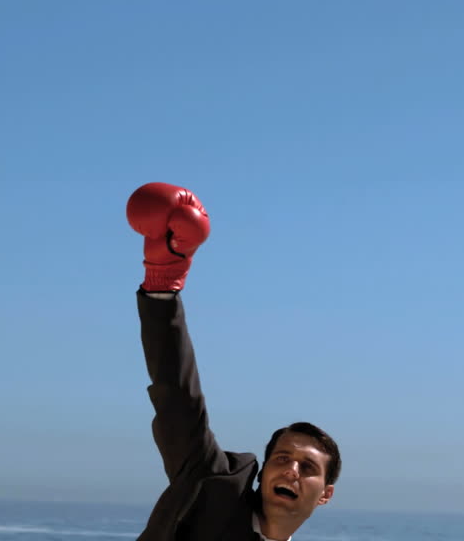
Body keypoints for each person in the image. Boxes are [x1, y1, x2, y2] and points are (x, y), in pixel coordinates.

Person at [127, 182, 342, 541]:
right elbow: (178, 399)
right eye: (281, 458)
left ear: (324, 494)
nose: (291, 470)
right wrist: (162, 285)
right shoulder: (212, 486)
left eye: (307, 467)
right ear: (262, 474)